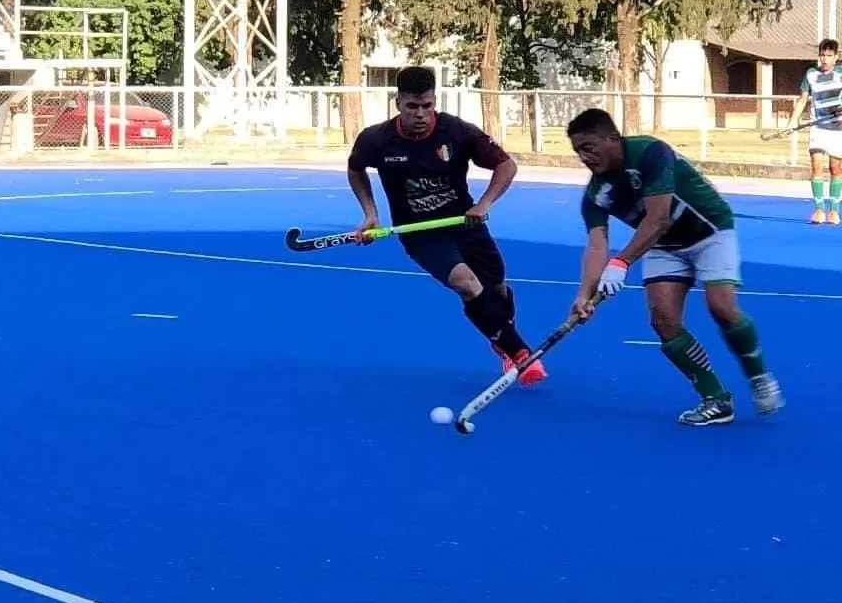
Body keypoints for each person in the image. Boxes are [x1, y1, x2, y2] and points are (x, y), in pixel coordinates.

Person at [566, 107, 784, 426]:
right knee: (663, 320)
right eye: (577, 152)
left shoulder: (651, 153)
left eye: (588, 148)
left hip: (709, 231)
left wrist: (621, 261)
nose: (584, 157)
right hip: (664, 244)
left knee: (721, 307)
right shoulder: (595, 194)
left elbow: (659, 217)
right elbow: (597, 244)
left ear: (613, 138)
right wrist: (584, 294)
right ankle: (716, 399)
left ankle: (758, 375)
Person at [345, 65, 546, 385]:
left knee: (495, 289)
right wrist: (370, 213)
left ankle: (502, 341)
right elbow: (356, 168)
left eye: (427, 105)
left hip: (465, 223)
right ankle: (521, 354)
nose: (421, 114)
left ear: (434, 101)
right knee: (466, 283)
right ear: (398, 104)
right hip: (420, 233)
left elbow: (506, 165)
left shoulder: (457, 132)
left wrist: (484, 203)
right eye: (412, 106)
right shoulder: (377, 140)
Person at [787, 37, 842, 225]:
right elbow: (802, 100)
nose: (825, 59)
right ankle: (819, 209)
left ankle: (834, 211)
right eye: (822, 55)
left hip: (837, 129)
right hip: (818, 127)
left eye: (829, 56)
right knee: (816, 166)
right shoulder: (810, 74)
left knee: (836, 169)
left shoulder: (841, 73)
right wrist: (791, 123)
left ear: (836, 57)